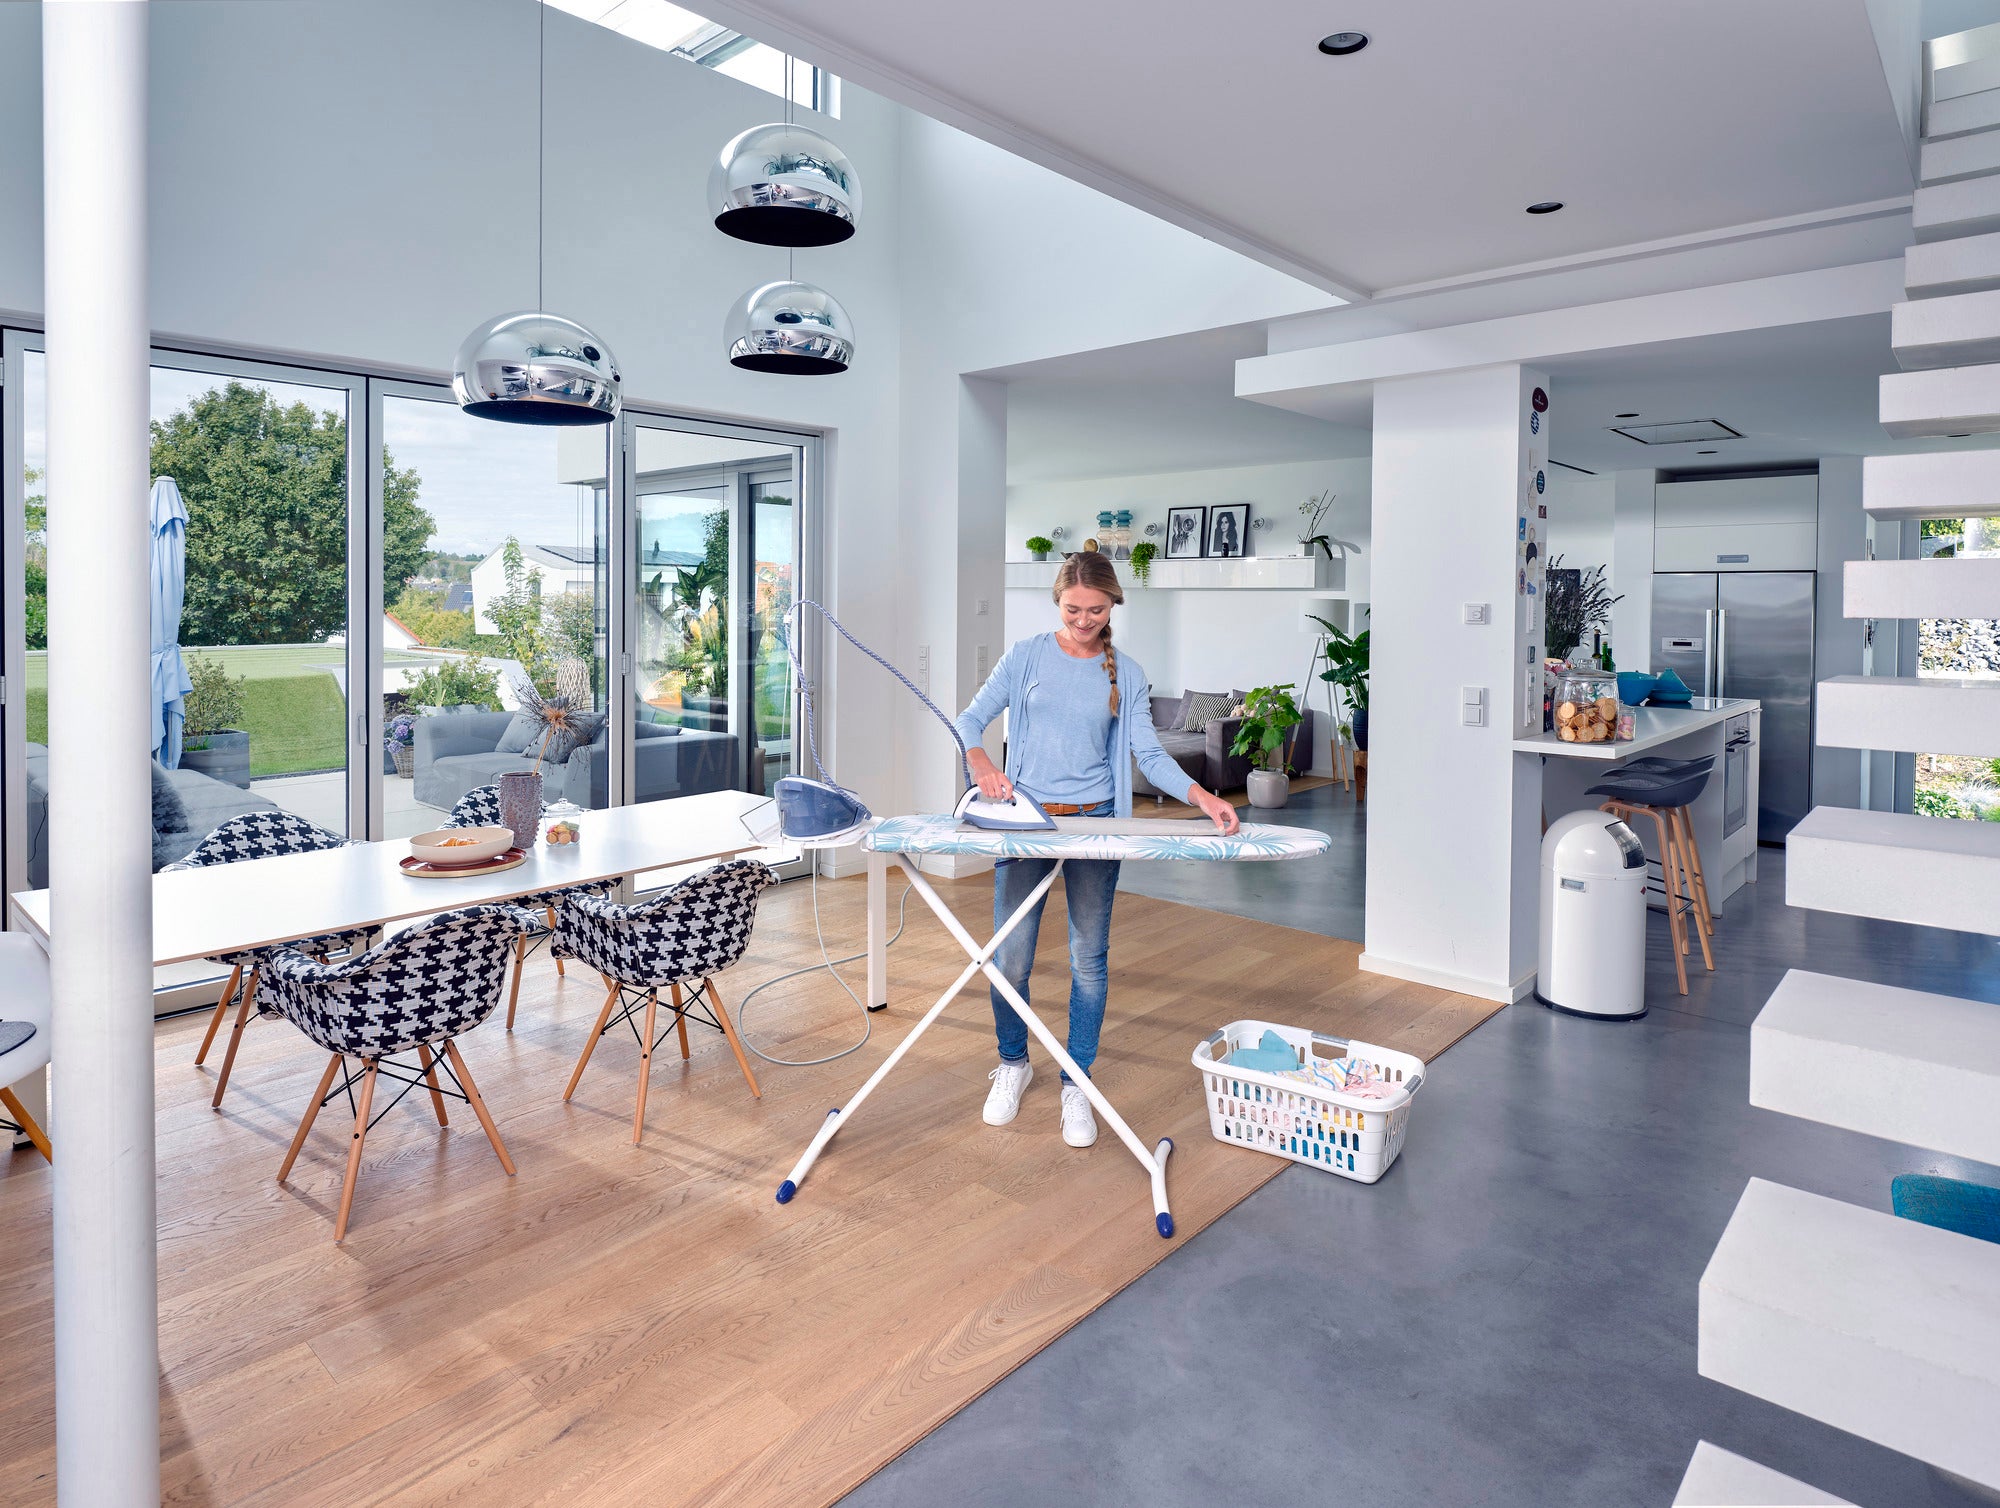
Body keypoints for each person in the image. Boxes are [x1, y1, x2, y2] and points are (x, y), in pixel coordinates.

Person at [953, 551, 1239, 1148]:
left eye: (1096, 610)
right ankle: (1013, 1063)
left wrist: (1206, 799)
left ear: (1114, 606)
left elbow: (1151, 756)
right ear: (1057, 603)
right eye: (1073, 609)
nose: (1084, 620)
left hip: (1096, 826)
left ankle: (1076, 1079)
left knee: (1088, 958)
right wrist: (980, 763)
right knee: (1010, 959)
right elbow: (968, 719)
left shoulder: (1127, 673)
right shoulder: (1026, 656)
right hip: (1027, 825)